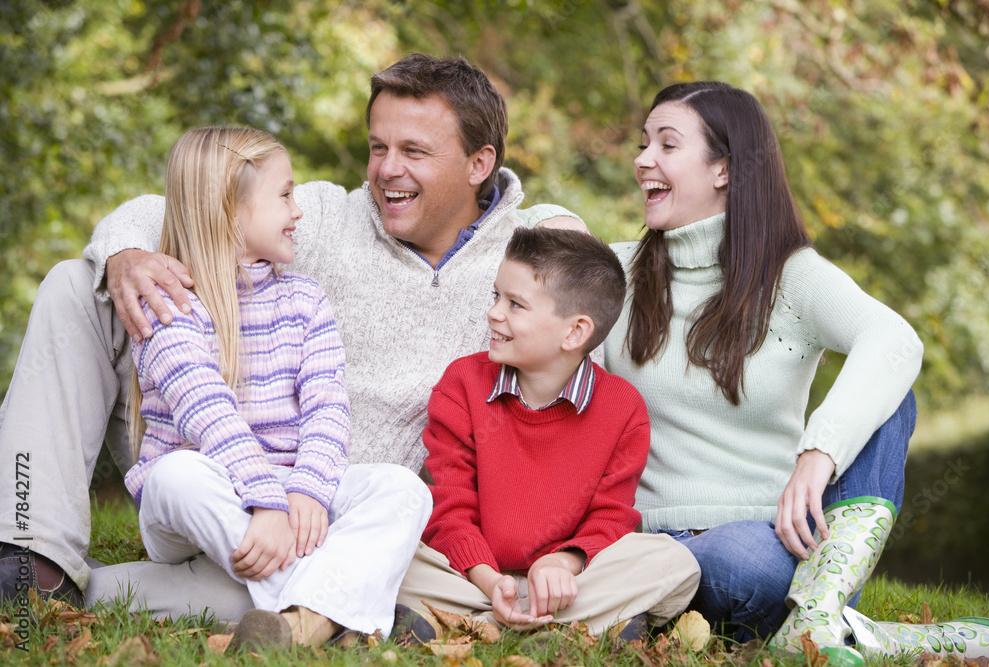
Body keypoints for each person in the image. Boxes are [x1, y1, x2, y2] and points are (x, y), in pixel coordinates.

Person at [0, 53, 582, 616]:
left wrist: (566, 227)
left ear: (479, 165)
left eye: (414, 151)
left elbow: (592, 283)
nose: (386, 169)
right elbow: (185, 205)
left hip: (330, 501)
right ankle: (30, 547)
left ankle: (124, 593)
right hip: (203, 451)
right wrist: (126, 252)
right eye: (378, 147)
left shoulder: (525, 260)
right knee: (77, 283)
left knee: (262, 581)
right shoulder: (326, 216)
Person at [603, 80, 989, 663]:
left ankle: (815, 608)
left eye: (666, 144)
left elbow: (895, 340)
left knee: (891, 401)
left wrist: (820, 453)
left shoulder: (790, 277)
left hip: (772, 547)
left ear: (724, 170)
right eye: (643, 144)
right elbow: (529, 272)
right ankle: (848, 634)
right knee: (719, 559)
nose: (642, 161)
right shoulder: (615, 274)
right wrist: (555, 220)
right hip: (658, 548)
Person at [124, 126, 430, 649]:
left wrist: (306, 488)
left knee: (402, 489)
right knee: (177, 475)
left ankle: (298, 626)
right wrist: (265, 502)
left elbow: (328, 409)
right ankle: (341, 609)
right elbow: (208, 412)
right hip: (205, 501)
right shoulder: (169, 306)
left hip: (288, 497)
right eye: (285, 195)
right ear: (229, 211)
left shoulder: (307, 301)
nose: (298, 210)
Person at [394, 227, 700, 642]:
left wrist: (563, 564)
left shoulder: (623, 408)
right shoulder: (463, 383)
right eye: (496, 296)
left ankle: (478, 626)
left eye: (515, 304)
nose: (495, 313)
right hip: (468, 576)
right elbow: (451, 504)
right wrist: (488, 580)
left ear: (574, 333)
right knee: (393, 550)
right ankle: (559, 628)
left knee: (675, 562)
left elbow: (611, 517)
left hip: (566, 585)